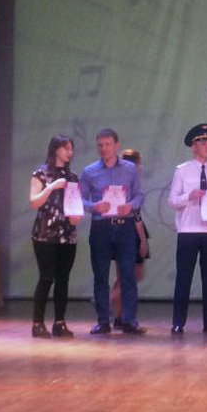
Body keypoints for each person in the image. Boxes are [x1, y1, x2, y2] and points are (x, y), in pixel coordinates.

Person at [80, 128, 145, 335]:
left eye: (108, 144)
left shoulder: (129, 169)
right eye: (100, 145)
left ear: (117, 145)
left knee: (128, 275)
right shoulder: (89, 171)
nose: (104, 148)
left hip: (125, 226)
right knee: (101, 276)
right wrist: (94, 206)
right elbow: (79, 200)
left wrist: (131, 205)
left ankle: (129, 320)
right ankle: (103, 321)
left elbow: (139, 195)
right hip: (101, 227)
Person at [168, 123, 207, 333]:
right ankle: (178, 322)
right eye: (203, 141)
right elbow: (172, 200)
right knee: (184, 278)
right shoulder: (183, 171)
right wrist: (189, 196)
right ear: (194, 146)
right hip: (188, 231)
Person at [28, 135, 80, 338]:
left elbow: (75, 202)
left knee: (63, 279)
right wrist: (51, 187)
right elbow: (34, 202)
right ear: (56, 149)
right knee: (46, 277)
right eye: (66, 148)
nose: (70, 152)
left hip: (67, 234)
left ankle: (60, 322)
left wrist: (77, 215)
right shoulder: (41, 174)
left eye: (71, 149)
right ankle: (37, 323)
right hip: (45, 234)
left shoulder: (72, 176)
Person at [112, 148, 150, 321]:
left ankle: (120, 314)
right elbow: (135, 216)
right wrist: (142, 240)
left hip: (124, 230)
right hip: (130, 231)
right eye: (139, 163)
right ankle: (113, 303)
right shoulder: (128, 187)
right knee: (130, 276)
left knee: (126, 276)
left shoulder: (124, 184)